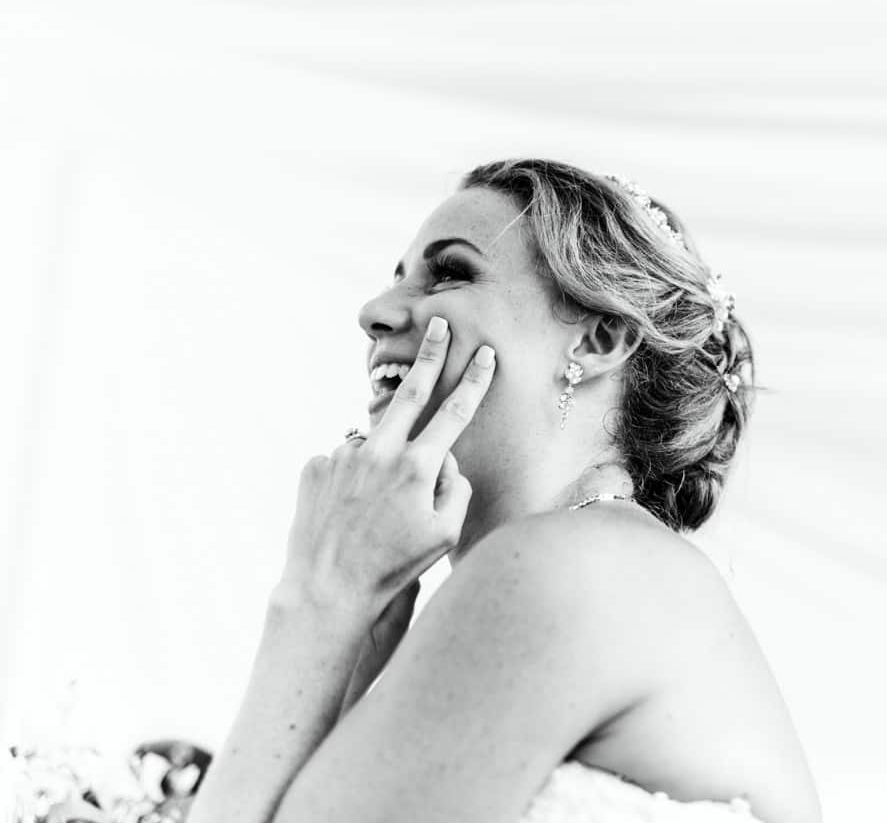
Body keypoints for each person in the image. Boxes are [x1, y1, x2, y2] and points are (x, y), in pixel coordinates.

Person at [188, 159, 822, 823]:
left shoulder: (568, 567)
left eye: (451, 271)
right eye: (395, 276)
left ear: (600, 336)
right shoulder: (610, 564)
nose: (374, 312)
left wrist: (317, 601)